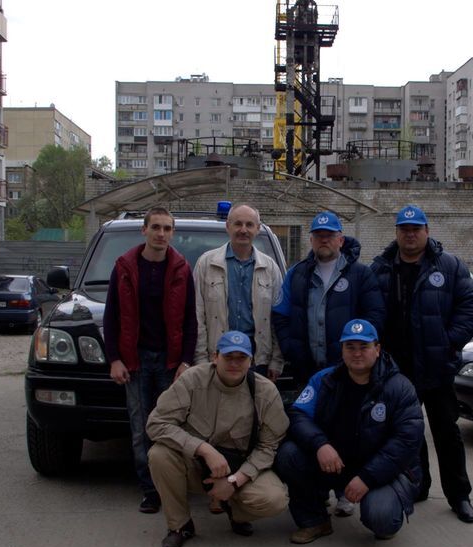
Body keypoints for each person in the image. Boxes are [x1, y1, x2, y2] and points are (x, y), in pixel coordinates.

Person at [370, 205, 473, 524]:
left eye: (416, 229)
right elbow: (370, 312)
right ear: (397, 233)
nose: (410, 234)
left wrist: (449, 342)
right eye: (404, 229)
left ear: (427, 232)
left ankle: (459, 495)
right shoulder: (381, 268)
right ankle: (418, 485)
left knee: (447, 432)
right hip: (396, 369)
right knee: (409, 432)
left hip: (437, 367)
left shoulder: (448, 266)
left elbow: (470, 307)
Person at [272, 210, 385, 517]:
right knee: (312, 429)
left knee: (347, 430)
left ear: (340, 239)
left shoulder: (360, 275)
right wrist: (292, 348)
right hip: (308, 369)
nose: (324, 240)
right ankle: (317, 490)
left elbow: (375, 317)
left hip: (347, 370)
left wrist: (355, 358)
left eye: (329, 235)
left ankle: (345, 490)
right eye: (318, 235)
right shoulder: (297, 274)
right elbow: (280, 314)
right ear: (311, 239)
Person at [274, 319, 423, 543]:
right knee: (288, 454)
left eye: (364, 347)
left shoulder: (400, 387)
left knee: (383, 520)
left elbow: (406, 441)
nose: (357, 354)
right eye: (350, 347)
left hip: (377, 469)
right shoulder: (323, 380)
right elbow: (297, 415)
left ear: (377, 349)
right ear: (342, 349)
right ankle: (315, 521)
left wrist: (367, 477)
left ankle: (379, 508)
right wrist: (320, 444)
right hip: (335, 463)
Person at [147, 331, 289, 547]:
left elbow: (269, 445)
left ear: (251, 361)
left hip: (240, 466)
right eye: (228, 357)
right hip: (195, 463)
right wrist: (203, 449)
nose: (234, 363)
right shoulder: (192, 379)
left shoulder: (265, 391)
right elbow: (156, 423)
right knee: (159, 454)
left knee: (274, 499)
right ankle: (180, 526)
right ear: (215, 357)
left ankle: (235, 510)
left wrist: (234, 481)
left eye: (241, 358)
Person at [103, 206, 197, 515]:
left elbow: (191, 320)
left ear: (173, 232)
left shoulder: (182, 268)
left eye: (167, 228)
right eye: (155, 227)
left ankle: (173, 484)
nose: (161, 234)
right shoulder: (125, 267)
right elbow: (112, 315)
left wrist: (185, 360)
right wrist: (115, 358)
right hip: (136, 361)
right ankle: (150, 490)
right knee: (140, 427)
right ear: (144, 230)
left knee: (172, 425)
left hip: (170, 364)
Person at [193, 203, 283, 379]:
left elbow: (278, 317)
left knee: (253, 406)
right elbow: (198, 315)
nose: (243, 230)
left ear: (257, 229)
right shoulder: (206, 263)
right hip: (217, 358)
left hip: (257, 360)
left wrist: (276, 360)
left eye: (249, 225)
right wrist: (201, 359)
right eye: (238, 224)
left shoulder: (270, 267)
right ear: (228, 226)